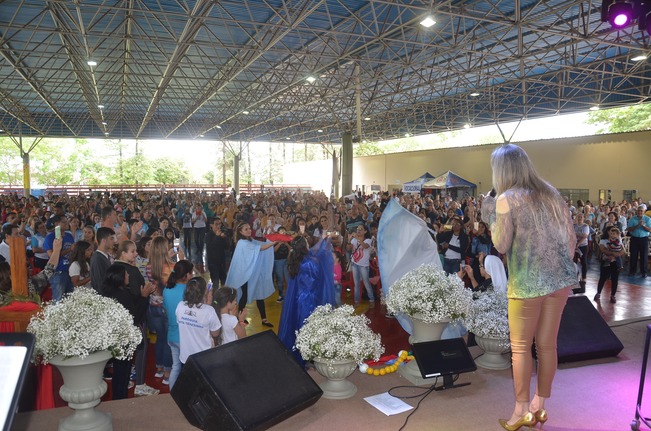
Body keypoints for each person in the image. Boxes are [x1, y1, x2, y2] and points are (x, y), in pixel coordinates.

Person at [482, 144, 577, 431]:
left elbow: (500, 245)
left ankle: (520, 411)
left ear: (501, 170)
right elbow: (570, 239)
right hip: (559, 281)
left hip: (526, 285)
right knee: (547, 346)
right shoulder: (550, 192)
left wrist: (489, 214)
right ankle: (540, 405)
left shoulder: (505, 199)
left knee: (521, 349)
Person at [278, 234, 336, 364]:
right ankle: (308, 357)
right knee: (309, 326)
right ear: (304, 246)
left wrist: (324, 240)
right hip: (310, 299)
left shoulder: (295, 260)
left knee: (299, 325)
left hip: (299, 297)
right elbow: (318, 275)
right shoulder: (309, 262)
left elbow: (316, 251)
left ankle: (303, 353)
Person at [103, 264, 155, 400]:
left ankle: (119, 397)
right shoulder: (121, 295)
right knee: (122, 372)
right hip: (123, 339)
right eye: (126, 274)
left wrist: (142, 295)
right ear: (119, 277)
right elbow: (134, 316)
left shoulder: (111, 292)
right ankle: (120, 400)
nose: (129, 276)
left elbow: (132, 302)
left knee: (121, 372)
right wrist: (144, 297)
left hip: (116, 337)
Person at [224, 222, 276, 327]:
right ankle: (240, 317)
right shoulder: (242, 242)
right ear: (240, 232)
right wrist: (274, 242)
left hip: (251, 272)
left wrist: (272, 239)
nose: (249, 230)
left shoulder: (250, 240)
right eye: (246, 229)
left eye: (249, 228)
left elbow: (261, 244)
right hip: (243, 274)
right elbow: (260, 248)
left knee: (259, 293)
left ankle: (264, 319)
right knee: (244, 294)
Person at [163, 259, 194, 389]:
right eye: (191, 273)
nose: (192, 275)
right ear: (186, 275)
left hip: (171, 335)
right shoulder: (187, 290)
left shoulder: (167, 289)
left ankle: (172, 392)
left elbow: (165, 310)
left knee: (175, 366)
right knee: (189, 368)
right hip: (184, 336)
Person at [176, 276, 221, 364]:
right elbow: (216, 333)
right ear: (205, 292)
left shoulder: (180, 306)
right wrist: (208, 304)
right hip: (203, 357)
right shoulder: (209, 311)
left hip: (185, 357)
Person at [43, 215, 76, 301]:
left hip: (70, 271)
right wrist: (69, 249)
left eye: (67, 222)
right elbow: (52, 256)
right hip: (58, 272)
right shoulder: (50, 238)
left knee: (70, 299)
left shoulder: (69, 236)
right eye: (64, 222)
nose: (66, 224)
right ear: (57, 224)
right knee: (58, 299)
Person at [594, 226, 627, 303]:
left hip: (615, 261)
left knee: (615, 278)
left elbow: (623, 250)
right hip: (606, 261)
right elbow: (603, 250)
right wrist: (612, 253)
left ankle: (613, 295)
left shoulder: (618, 240)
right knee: (603, 277)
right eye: (611, 232)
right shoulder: (603, 240)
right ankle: (598, 293)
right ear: (608, 232)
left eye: (614, 232)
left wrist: (617, 254)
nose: (612, 234)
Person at [347, 224, 375, 306]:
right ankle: (356, 301)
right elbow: (348, 249)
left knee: (366, 283)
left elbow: (365, 246)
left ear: (365, 231)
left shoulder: (368, 240)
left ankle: (372, 300)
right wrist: (349, 240)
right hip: (354, 264)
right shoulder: (354, 240)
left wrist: (358, 239)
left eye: (361, 229)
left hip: (363, 266)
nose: (358, 230)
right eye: (357, 229)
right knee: (356, 283)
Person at [626, 206, 651, 278]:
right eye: (639, 211)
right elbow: (629, 229)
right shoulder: (632, 219)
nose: (640, 212)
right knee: (633, 255)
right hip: (634, 239)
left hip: (644, 239)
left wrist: (643, 225)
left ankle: (644, 272)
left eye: (641, 211)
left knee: (644, 256)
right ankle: (632, 271)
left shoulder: (648, 219)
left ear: (644, 212)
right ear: (637, 211)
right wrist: (637, 225)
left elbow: (649, 230)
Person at [89, 227, 116, 295]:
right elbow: (100, 284)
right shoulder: (98, 259)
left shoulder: (105, 256)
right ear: (104, 241)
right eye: (111, 238)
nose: (114, 241)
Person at [205, 219, 229, 288]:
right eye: (216, 224)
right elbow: (211, 247)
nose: (218, 226)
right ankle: (214, 297)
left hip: (222, 261)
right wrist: (217, 237)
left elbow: (227, 247)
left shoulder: (221, 234)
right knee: (215, 282)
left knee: (224, 280)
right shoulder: (208, 235)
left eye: (220, 224)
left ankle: (223, 296)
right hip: (213, 262)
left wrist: (224, 238)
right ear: (211, 225)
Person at [573, 213, 590, 293]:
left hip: (583, 246)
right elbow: (572, 234)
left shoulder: (585, 226)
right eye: (578, 216)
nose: (579, 218)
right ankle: (574, 278)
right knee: (574, 262)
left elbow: (584, 236)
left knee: (584, 262)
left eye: (581, 217)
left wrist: (578, 244)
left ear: (583, 218)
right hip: (574, 245)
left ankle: (584, 277)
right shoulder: (574, 226)